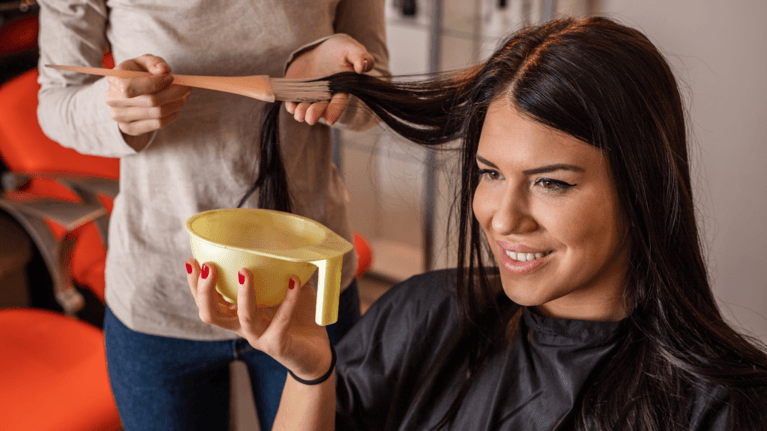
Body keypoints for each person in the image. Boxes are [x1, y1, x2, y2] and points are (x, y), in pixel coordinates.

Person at [187, 17, 767, 430]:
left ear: (642, 184)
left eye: (551, 182)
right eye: (490, 173)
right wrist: (312, 373)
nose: (503, 217)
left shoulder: (721, 406)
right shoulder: (423, 313)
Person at [35, 1, 389, 430]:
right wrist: (115, 111)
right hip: (161, 293)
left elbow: (376, 91)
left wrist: (340, 87)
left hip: (304, 290)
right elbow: (56, 100)